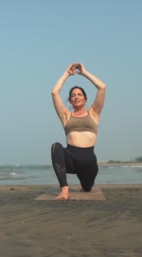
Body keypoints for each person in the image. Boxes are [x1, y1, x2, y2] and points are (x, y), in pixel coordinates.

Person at [50, 62, 106, 200]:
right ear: (70, 100)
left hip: (89, 162)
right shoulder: (66, 116)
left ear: (85, 98)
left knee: (87, 189)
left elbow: (102, 87)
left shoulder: (94, 113)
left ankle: (84, 181)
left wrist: (84, 72)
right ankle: (64, 189)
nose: (76, 96)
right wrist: (67, 73)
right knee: (56, 147)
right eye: (73, 95)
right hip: (71, 158)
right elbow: (54, 92)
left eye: (79, 94)